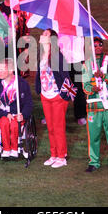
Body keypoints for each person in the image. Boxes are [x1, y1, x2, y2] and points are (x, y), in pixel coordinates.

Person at [82, 37, 108, 173]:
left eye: (100, 45)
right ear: (90, 48)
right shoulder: (87, 64)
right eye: (95, 46)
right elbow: (85, 85)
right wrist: (93, 89)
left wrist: (102, 76)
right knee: (93, 136)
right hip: (93, 106)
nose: (98, 47)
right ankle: (93, 162)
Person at [35, 29, 73, 168]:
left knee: (58, 127)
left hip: (57, 96)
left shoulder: (57, 56)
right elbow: (39, 75)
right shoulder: (42, 55)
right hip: (46, 96)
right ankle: (54, 154)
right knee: (50, 127)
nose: (41, 35)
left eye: (45, 34)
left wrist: (64, 95)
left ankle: (62, 157)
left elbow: (66, 77)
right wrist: (39, 90)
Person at [0, 58, 33, 158]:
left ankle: (15, 149)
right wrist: (4, 114)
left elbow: (28, 103)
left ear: (11, 70)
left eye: (2, 69)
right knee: (4, 122)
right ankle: (6, 149)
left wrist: (23, 114)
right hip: (2, 114)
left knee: (14, 124)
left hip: (17, 114)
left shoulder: (22, 84)